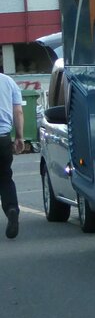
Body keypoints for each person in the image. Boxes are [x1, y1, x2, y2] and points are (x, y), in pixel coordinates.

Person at [0, 68, 24, 239]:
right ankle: (12, 209)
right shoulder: (8, 82)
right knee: (5, 178)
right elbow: (18, 112)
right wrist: (20, 136)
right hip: (3, 138)